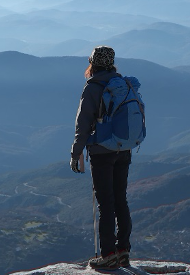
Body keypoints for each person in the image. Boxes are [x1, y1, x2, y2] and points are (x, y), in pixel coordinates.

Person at [71, 45, 133, 270]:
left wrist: (76, 153)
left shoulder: (93, 88)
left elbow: (83, 124)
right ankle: (123, 250)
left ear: (92, 63)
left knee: (105, 203)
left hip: (100, 153)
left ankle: (107, 254)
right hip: (123, 150)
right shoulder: (122, 85)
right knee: (120, 200)